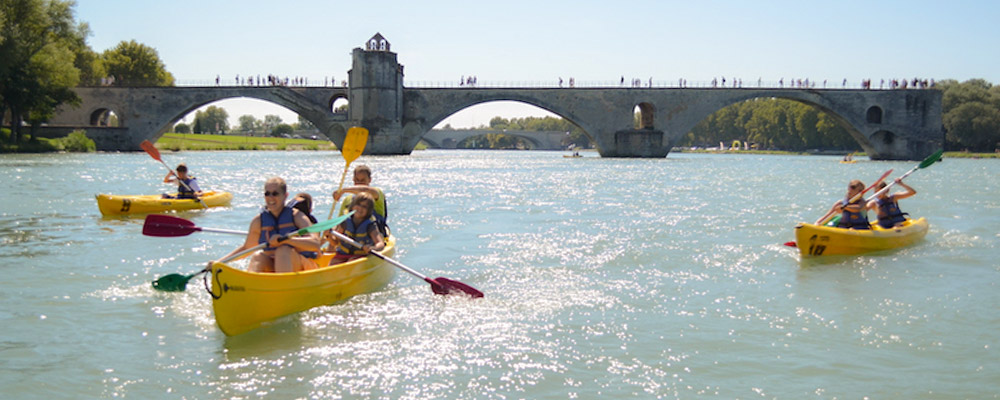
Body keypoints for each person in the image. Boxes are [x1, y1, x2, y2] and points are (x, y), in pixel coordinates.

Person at [222, 177, 320, 273]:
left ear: (285, 196)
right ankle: (252, 286)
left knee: (283, 250)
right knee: (258, 256)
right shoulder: (258, 221)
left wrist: (287, 240)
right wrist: (220, 263)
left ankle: (283, 286)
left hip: (302, 266)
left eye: (275, 193)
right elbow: (247, 248)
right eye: (267, 194)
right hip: (274, 266)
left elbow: (315, 243)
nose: (270, 197)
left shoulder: (297, 216)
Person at [327, 192, 385, 264]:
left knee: (351, 261)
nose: (360, 208)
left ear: (369, 211)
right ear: (352, 206)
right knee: (333, 263)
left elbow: (380, 244)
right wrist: (328, 236)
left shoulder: (370, 225)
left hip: (360, 255)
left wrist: (372, 248)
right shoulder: (345, 222)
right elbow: (335, 242)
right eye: (358, 204)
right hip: (343, 254)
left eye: (364, 207)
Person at [333, 164, 389, 236]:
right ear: (353, 179)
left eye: (363, 180)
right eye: (357, 180)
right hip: (349, 239)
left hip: (374, 238)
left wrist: (343, 190)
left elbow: (365, 190)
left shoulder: (376, 192)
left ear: (370, 180)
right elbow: (339, 223)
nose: (359, 183)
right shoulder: (347, 200)